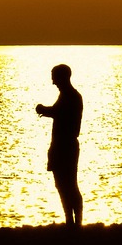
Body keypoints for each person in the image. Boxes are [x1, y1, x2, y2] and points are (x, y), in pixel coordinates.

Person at [35, 64, 84, 226]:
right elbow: (57, 112)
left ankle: (75, 222)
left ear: (62, 77)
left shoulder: (71, 96)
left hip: (66, 145)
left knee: (68, 184)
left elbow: (59, 112)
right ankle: (70, 220)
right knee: (63, 184)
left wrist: (43, 109)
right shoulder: (67, 96)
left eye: (55, 77)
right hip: (61, 145)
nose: (53, 82)